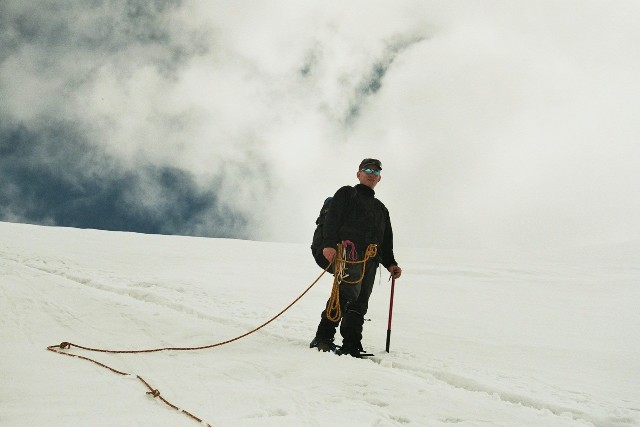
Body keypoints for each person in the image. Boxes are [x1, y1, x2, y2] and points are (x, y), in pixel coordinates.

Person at [310, 158, 402, 357]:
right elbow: (332, 220)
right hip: (347, 252)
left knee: (360, 302)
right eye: (367, 169)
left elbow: (386, 240)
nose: (371, 174)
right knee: (345, 295)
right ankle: (323, 337)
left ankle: (352, 344)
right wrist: (328, 245)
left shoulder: (381, 209)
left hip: (370, 259)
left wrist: (391, 263)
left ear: (379, 178)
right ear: (358, 174)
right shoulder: (346, 193)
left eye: (375, 172)